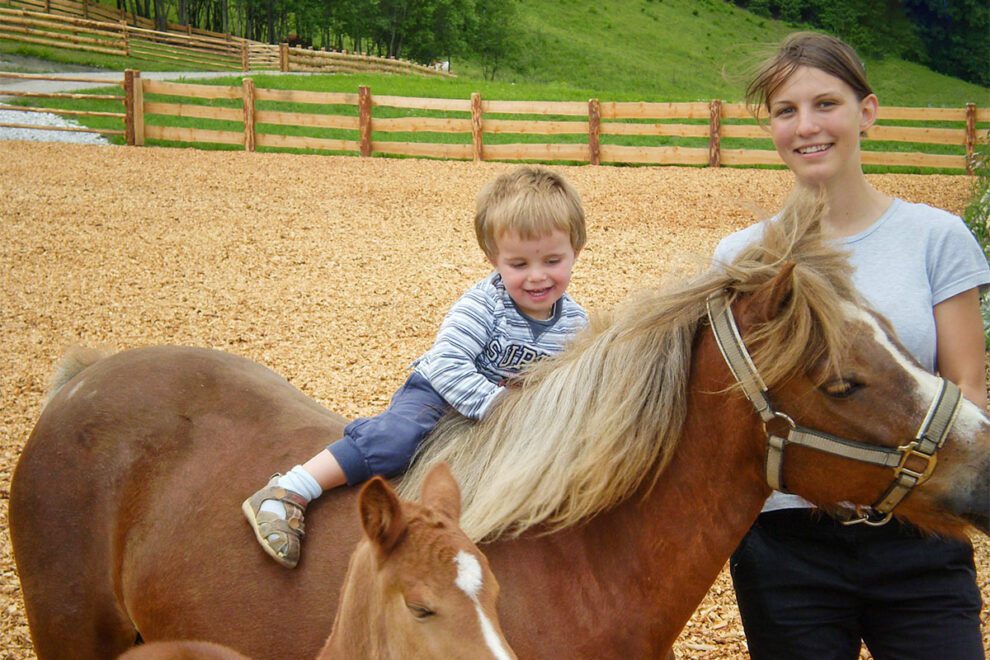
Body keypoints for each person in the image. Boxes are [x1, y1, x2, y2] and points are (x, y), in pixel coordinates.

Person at [713, 32, 989, 659]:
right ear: (773, 128)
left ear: (866, 112)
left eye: (826, 104)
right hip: (789, 541)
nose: (807, 126)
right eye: (787, 111)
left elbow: (967, 387)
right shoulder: (742, 259)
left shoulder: (935, 238)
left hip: (919, 534)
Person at [243, 165, 589, 568]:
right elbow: (446, 363)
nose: (536, 277)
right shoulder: (484, 305)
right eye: (518, 265)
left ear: (576, 251)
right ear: (493, 259)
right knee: (398, 437)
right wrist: (499, 407)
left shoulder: (575, 324)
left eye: (551, 260)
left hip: (511, 413)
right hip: (441, 393)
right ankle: (292, 489)